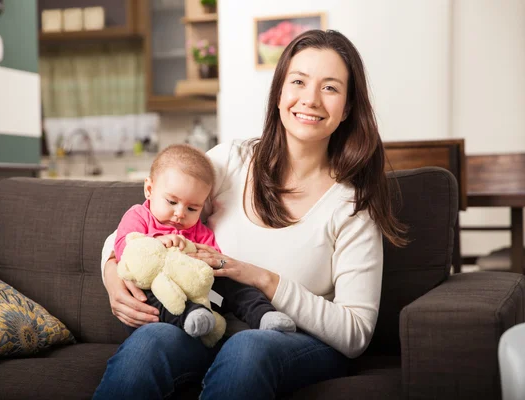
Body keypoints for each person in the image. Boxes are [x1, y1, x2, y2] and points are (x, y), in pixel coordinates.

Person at [94, 29, 407, 400]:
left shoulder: (354, 204)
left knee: (249, 348)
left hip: (298, 343)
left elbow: (355, 333)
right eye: (298, 81)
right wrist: (113, 274)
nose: (310, 99)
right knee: (150, 341)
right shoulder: (231, 161)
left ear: (348, 108)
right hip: (215, 323)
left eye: (330, 88)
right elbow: (142, 224)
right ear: (278, 93)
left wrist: (259, 278)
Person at [112, 144, 296, 340]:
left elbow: (212, 263)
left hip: (196, 293)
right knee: (146, 293)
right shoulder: (139, 216)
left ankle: (263, 315)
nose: (180, 213)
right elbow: (124, 248)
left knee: (232, 284)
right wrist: (158, 242)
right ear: (149, 189)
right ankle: (191, 315)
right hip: (156, 297)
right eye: (172, 202)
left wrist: (206, 261)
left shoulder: (199, 231)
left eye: (192, 209)